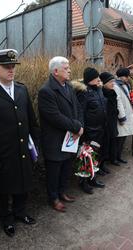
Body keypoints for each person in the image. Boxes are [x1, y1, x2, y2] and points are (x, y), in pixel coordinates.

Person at [0, 49, 39, 237]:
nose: (11, 70)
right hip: (3, 154)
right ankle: (6, 219)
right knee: (3, 191)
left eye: (13, 66)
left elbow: (31, 121)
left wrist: (37, 146)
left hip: (24, 150)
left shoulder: (21, 89)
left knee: (24, 184)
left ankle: (20, 212)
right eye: (6, 66)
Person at [38, 56, 84, 212]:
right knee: (54, 171)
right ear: (55, 71)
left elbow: (77, 108)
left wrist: (80, 126)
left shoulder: (68, 86)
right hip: (55, 139)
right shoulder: (46, 91)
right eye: (66, 68)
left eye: (69, 67)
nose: (69, 70)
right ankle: (53, 198)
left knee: (66, 168)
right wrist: (76, 127)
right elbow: (54, 117)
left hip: (70, 137)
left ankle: (62, 192)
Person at [72, 67, 106, 194]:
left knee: (95, 156)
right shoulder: (83, 92)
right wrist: (83, 131)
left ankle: (92, 178)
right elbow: (80, 112)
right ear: (89, 79)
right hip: (89, 132)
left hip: (100, 130)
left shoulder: (98, 90)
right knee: (85, 157)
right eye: (96, 77)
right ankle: (83, 182)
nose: (98, 79)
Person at [114, 68, 133, 163]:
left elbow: (126, 97)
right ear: (121, 76)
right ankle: (115, 158)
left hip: (127, 113)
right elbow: (118, 102)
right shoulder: (116, 86)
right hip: (121, 116)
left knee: (123, 138)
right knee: (119, 139)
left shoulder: (124, 85)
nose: (127, 78)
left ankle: (119, 156)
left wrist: (131, 99)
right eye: (126, 76)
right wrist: (122, 117)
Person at [99, 72, 119, 166]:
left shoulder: (112, 92)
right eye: (111, 81)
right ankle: (102, 164)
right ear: (104, 83)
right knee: (105, 144)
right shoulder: (102, 93)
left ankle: (111, 159)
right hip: (106, 123)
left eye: (113, 81)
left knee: (113, 140)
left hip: (113, 121)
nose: (113, 83)